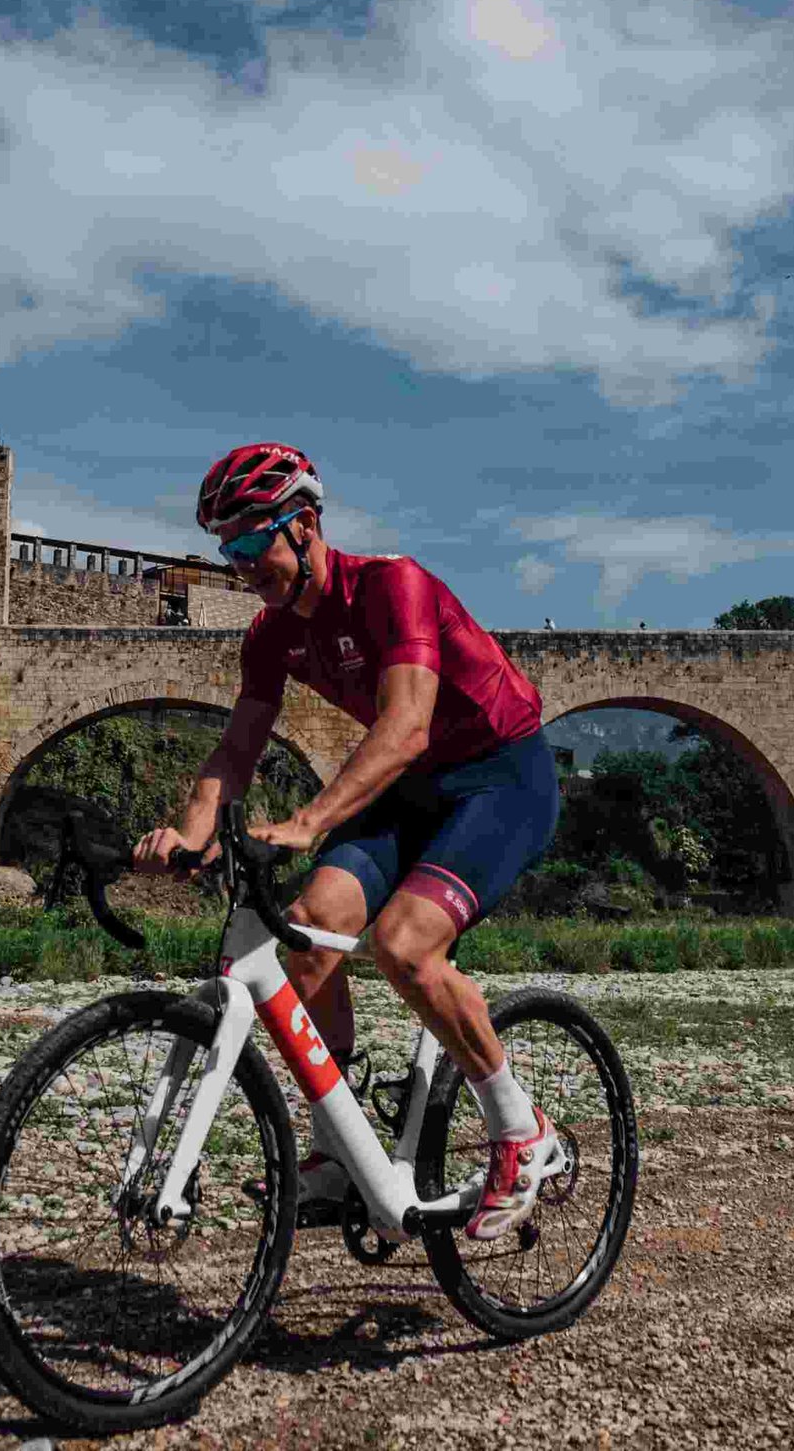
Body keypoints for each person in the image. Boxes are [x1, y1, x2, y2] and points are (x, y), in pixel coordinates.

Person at [134, 443, 564, 1243]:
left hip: (502, 777)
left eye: (249, 540)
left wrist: (308, 821)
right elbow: (235, 751)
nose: (238, 563)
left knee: (404, 945)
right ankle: (337, 1149)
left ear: (302, 525)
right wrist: (189, 832)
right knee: (307, 934)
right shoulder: (269, 636)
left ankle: (522, 1133)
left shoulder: (393, 586)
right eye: (225, 549)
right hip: (416, 792)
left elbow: (404, 728)